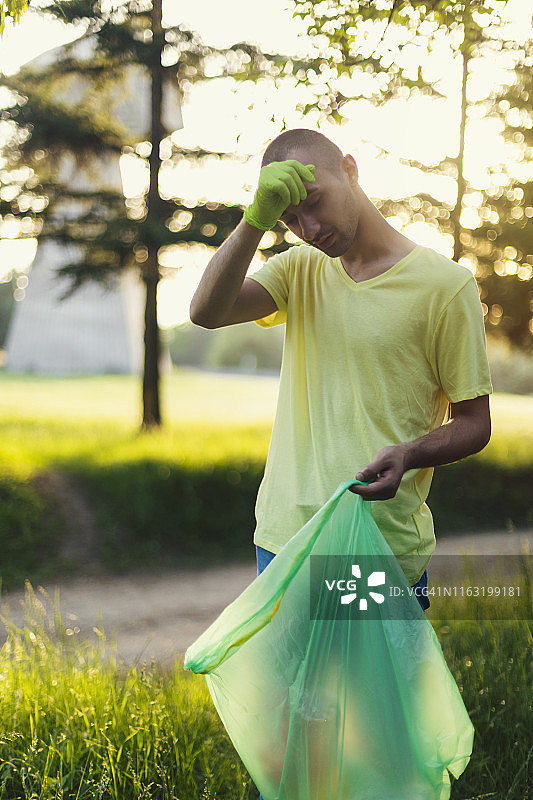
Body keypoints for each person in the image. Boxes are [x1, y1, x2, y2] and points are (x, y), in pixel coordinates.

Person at [190, 128, 492, 610]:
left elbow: (475, 423)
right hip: (284, 538)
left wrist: (409, 454)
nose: (308, 229)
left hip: (380, 544)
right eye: (289, 219)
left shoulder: (446, 286)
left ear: (350, 169)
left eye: (314, 202)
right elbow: (206, 311)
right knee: (287, 668)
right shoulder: (299, 269)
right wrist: (254, 219)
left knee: (378, 668)